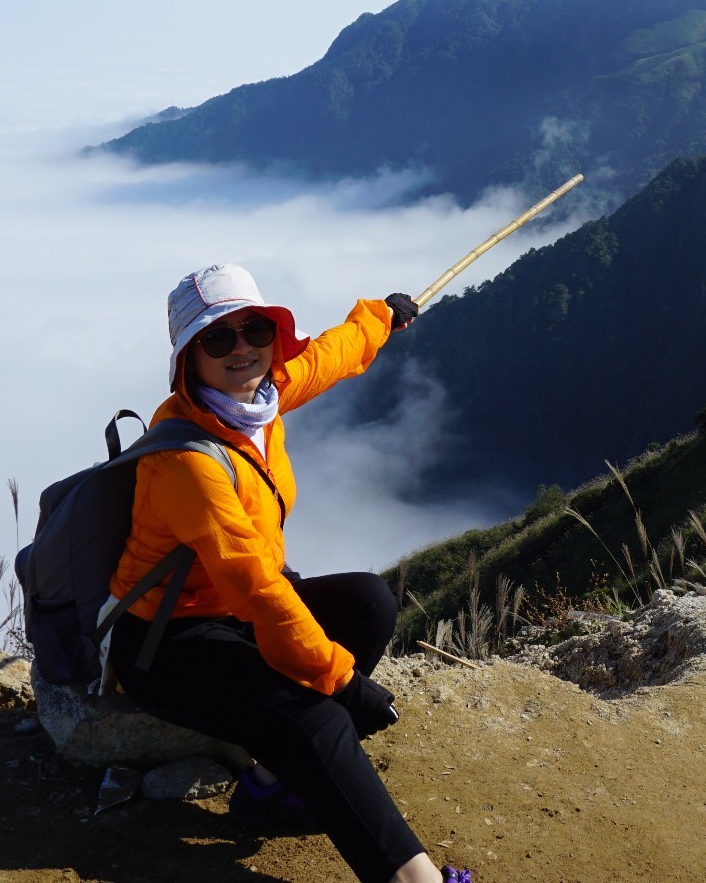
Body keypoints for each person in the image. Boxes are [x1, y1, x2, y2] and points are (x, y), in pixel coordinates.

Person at [105, 262, 469, 883]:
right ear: (188, 358)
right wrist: (342, 681)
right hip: (165, 640)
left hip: (230, 615)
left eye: (254, 329)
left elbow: (328, 358)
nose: (241, 348)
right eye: (218, 338)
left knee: (369, 601)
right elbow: (257, 587)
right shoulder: (186, 460)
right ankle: (414, 880)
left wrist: (380, 318)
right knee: (319, 711)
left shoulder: (255, 403)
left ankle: (271, 784)